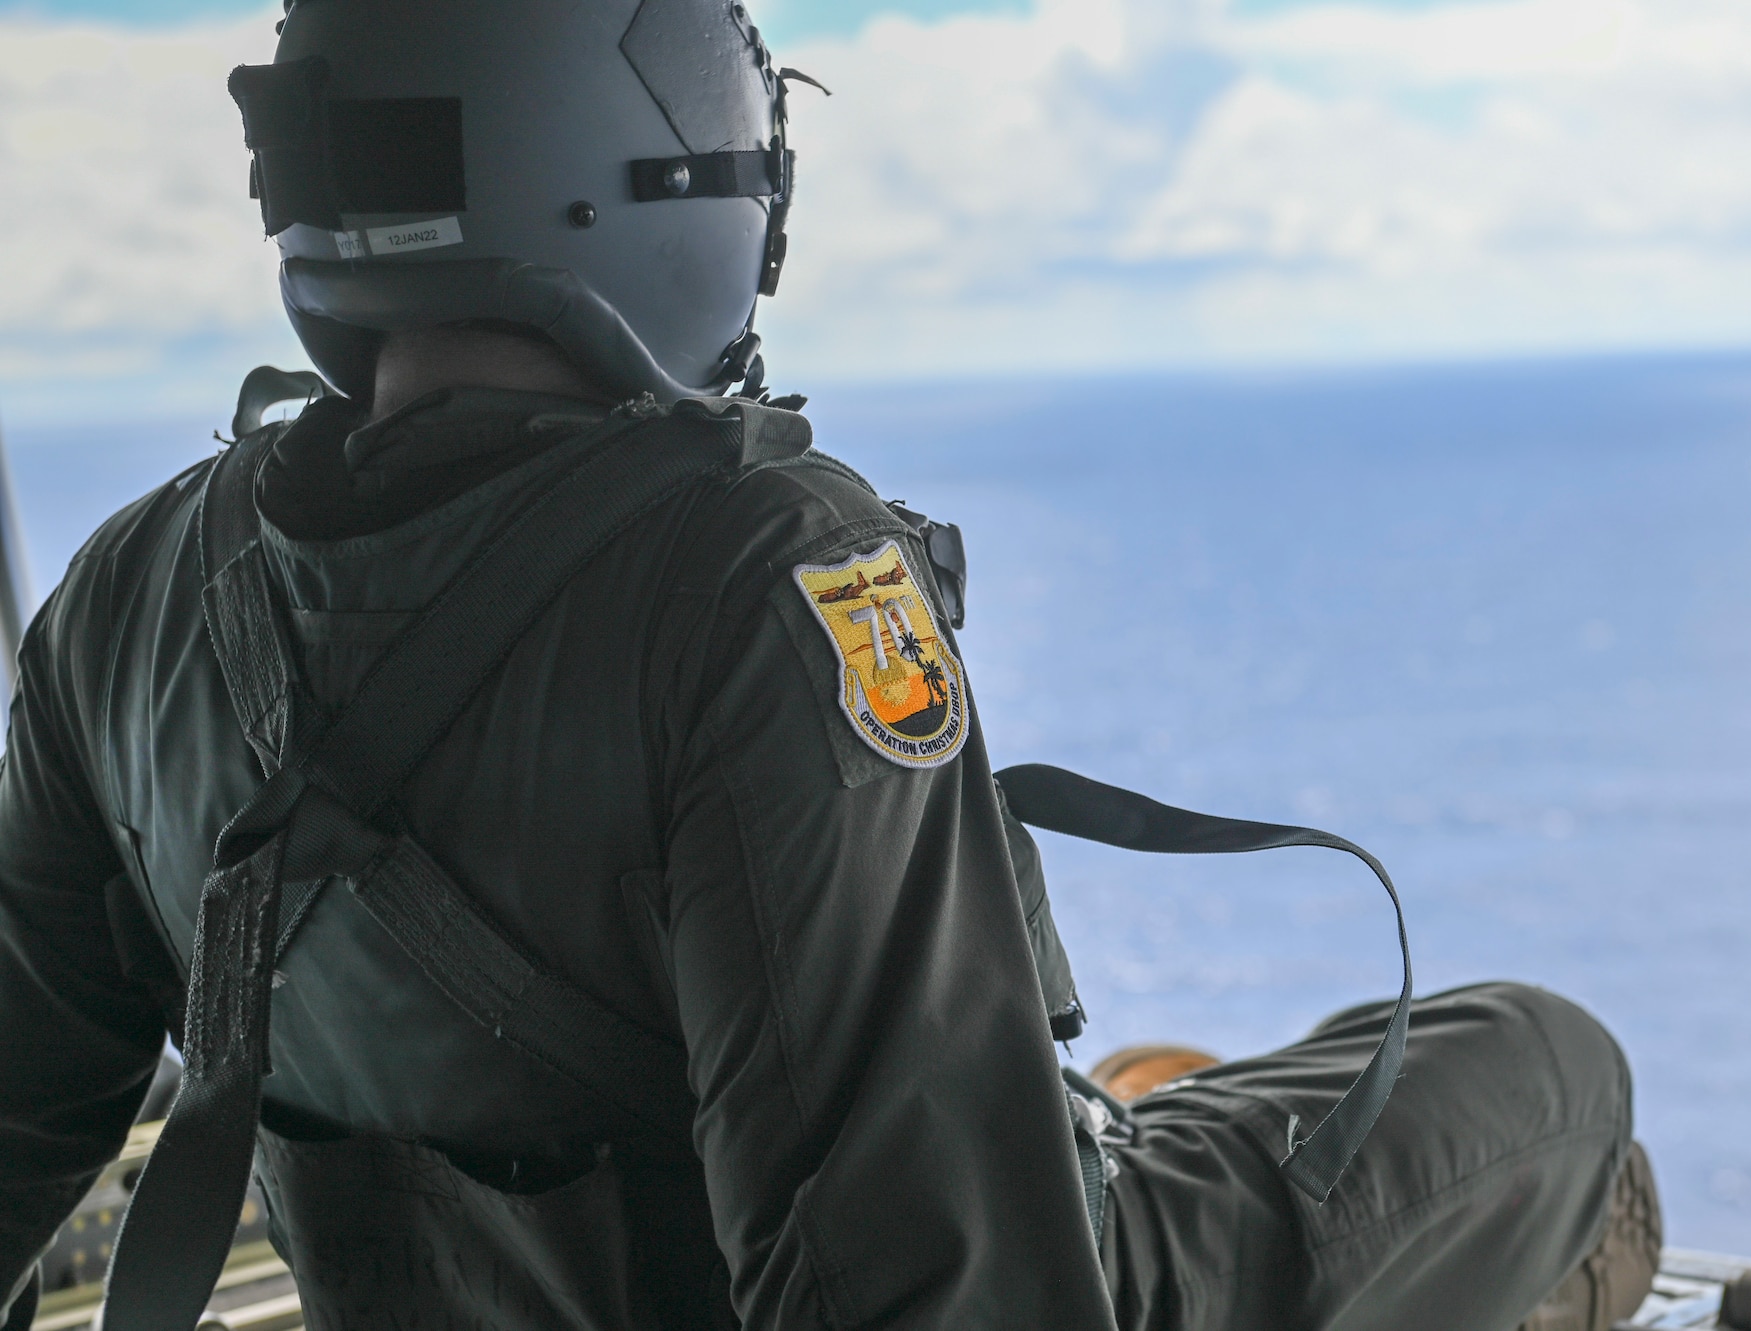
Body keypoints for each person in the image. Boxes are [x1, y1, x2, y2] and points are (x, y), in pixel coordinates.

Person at [0, 2, 1658, 1328]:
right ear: (643, 162)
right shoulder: (758, 570)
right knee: (1544, 1069)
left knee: (1207, 1099)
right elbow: (928, 1281)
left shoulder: (135, 586)